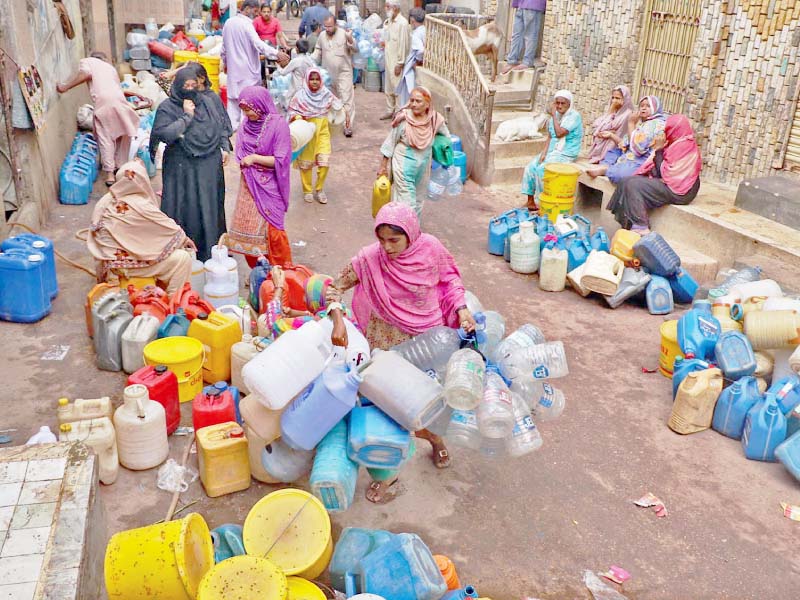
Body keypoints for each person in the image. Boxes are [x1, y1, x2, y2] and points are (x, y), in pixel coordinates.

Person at [326, 202, 477, 503]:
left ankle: (435, 440)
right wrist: (337, 318)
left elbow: (450, 281)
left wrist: (461, 311)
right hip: (386, 344)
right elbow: (334, 286)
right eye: (381, 239)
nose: (386, 247)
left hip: (428, 340)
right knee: (383, 408)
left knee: (428, 400)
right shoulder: (370, 259)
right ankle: (386, 475)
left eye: (394, 240)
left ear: (411, 234)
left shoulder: (431, 249)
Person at [150, 69, 231, 261]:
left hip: (209, 166)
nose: (190, 89)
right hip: (181, 168)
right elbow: (166, 135)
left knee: (209, 208)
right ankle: (180, 253)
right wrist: (187, 117)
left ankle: (211, 252)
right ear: (177, 86)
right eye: (185, 86)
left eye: (193, 85)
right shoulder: (168, 107)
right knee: (184, 207)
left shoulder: (208, 102)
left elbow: (219, 125)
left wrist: (224, 146)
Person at [87, 160, 195, 294]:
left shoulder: (105, 201)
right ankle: (174, 301)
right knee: (182, 259)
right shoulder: (141, 206)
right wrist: (184, 239)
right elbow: (170, 231)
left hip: (109, 265)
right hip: (128, 266)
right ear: (142, 181)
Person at [57, 52, 149, 186]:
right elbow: (115, 89)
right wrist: (135, 95)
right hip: (119, 101)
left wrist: (64, 87)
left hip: (105, 103)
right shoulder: (110, 68)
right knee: (122, 134)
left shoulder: (87, 61)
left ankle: (110, 174)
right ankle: (120, 167)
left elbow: (85, 74)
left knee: (106, 137)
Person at [226, 86, 294, 267]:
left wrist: (255, 158)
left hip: (270, 184)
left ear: (260, 105)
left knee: (274, 230)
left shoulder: (278, 125)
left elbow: (282, 159)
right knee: (250, 230)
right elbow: (240, 152)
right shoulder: (246, 126)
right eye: (243, 110)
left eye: (249, 109)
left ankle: (283, 271)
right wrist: (246, 161)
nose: (247, 114)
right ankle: (260, 271)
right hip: (249, 183)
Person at [607, 114, 701, 233]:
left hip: (680, 192)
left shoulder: (683, 147)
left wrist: (659, 149)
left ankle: (641, 226)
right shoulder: (677, 143)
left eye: (668, 130)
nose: (666, 133)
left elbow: (665, 173)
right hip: (678, 186)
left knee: (633, 185)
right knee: (627, 181)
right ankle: (628, 225)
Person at [378, 87, 448, 217]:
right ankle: (405, 230)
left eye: (418, 101)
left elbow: (445, 138)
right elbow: (390, 141)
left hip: (423, 165)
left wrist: (445, 155)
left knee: (418, 200)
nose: (414, 104)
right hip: (403, 163)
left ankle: (411, 229)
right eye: (412, 100)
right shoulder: (403, 119)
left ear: (428, 104)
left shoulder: (435, 120)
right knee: (407, 200)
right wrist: (383, 166)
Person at [222, 0, 290, 129]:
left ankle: (232, 138)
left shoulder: (228, 23)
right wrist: (277, 54)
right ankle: (244, 136)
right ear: (247, 9)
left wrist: (225, 63)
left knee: (233, 105)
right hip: (247, 72)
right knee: (247, 105)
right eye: (255, 11)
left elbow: (223, 49)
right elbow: (258, 44)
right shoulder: (247, 25)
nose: (256, 14)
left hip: (234, 72)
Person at [520, 89, 583, 211]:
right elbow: (550, 136)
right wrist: (543, 153)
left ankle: (542, 203)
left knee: (542, 170)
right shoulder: (555, 116)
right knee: (531, 167)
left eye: (562, 103)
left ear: (569, 104)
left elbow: (559, 133)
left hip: (566, 152)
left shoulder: (574, 116)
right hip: (553, 150)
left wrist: (554, 115)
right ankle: (530, 201)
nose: (559, 106)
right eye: (557, 103)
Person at [288, 68, 342, 204]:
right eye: (311, 79)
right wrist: (298, 117)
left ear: (321, 80)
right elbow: (291, 111)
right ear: (307, 80)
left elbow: (337, 105)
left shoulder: (325, 94)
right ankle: (307, 190)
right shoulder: (300, 96)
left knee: (324, 161)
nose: (314, 82)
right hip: (307, 132)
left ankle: (319, 189)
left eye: (317, 79)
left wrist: (342, 113)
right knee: (306, 163)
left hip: (323, 131)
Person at [587, 95, 666, 183]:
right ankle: (606, 166)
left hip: (643, 158)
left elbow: (638, 149)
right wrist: (611, 135)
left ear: (656, 108)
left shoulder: (656, 124)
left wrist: (631, 124)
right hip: (632, 154)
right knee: (613, 152)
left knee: (623, 175)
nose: (643, 108)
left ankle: (607, 170)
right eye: (642, 106)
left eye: (648, 106)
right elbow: (625, 143)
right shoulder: (643, 123)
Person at [313, 15, 356, 137]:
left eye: (330, 26)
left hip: (344, 73)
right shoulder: (322, 36)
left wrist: (350, 39)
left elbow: (355, 49)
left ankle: (347, 126)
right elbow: (318, 50)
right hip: (328, 74)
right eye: (325, 26)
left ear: (335, 25)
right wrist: (310, 60)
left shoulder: (344, 34)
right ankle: (333, 124)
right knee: (330, 101)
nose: (327, 29)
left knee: (347, 100)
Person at [586, 85, 633, 165]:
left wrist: (609, 132)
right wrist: (610, 112)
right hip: (604, 141)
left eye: (618, 98)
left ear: (625, 99)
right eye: (613, 97)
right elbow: (597, 125)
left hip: (616, 146)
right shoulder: (613, 110)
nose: (614, 101)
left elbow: (618, 134)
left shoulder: (628, 114)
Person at [381, 0, 410, 119]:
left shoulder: (402, 23)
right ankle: (389, 110)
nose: (386, 9)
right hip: (388, 59)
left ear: (396, 8)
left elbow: (404, 45)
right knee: (388, 87)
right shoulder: (388, 22)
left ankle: (399, 112)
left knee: (397, 88)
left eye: (388, 7)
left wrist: (400, 63)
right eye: (386, 6)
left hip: (396, 61)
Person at [501, 0, 546, 74]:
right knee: (526, 35)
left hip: (525, 5)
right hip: (527, 5)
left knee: (521, 35)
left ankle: (516, 61)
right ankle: (521, 62)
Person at [396, 7, 426, 107]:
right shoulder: (425, 30)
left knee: (409, 95)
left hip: (413, 68)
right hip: (422, 67)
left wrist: (417, 61)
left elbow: (421, 50)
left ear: (412, 20)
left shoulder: (416, 34)